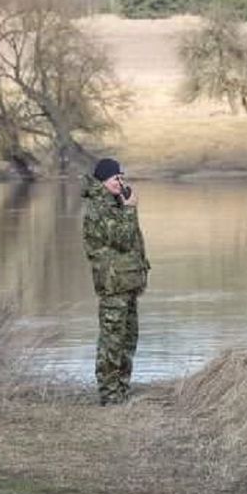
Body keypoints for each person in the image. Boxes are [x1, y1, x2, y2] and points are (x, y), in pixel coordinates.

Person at [82, 158, 150, 405]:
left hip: (127, 282)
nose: (120, 183)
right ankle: (109, 396)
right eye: (115, 179)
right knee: (112, 340)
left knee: (128, 338)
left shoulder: (115, 203)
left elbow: (133, 242)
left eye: (122, 178)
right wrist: (130, 208)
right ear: (103, 181)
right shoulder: (99, 207)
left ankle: (121, 390)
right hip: (113, 285)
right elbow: (121, 238)